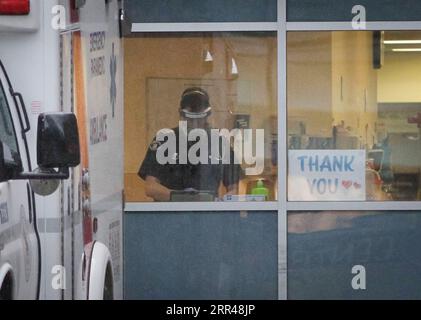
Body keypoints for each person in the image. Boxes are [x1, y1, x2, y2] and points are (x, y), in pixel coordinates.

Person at [138, 87, 242, 201]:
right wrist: (186, 198)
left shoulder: (219, 142)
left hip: (207, 213)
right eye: (190, 119)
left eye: (199, 119)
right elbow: (151, 187)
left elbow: (234, 189)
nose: (195, 124)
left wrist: (219, 203)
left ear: (207, 115)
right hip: (169, 214)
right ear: (180, 113)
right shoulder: (164, 139)